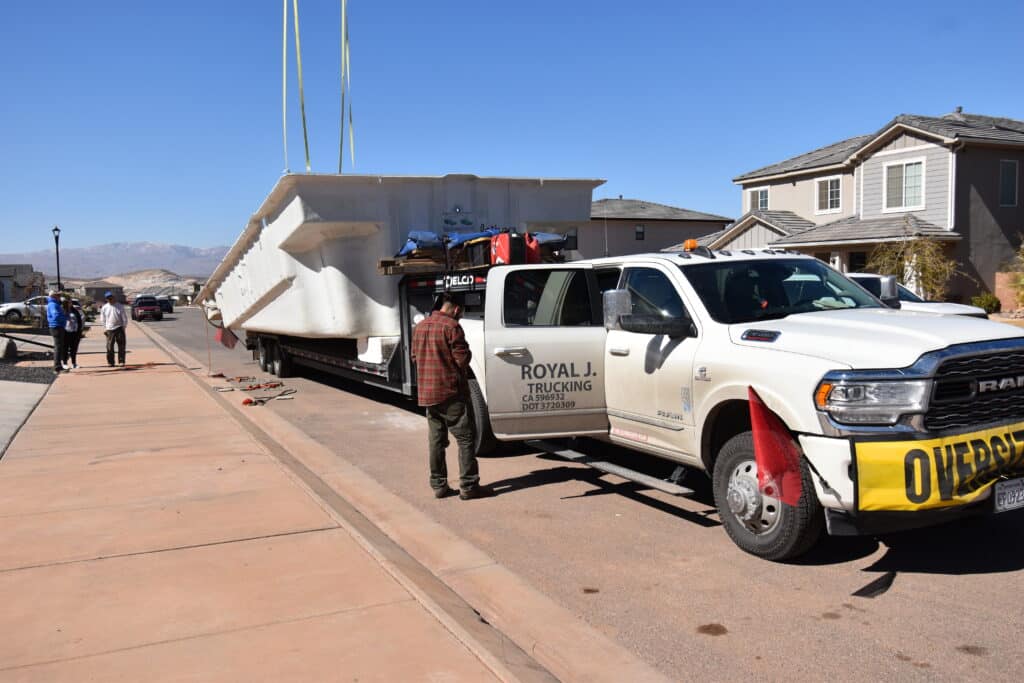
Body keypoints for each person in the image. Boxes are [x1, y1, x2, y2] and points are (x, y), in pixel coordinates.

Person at [410, 293, 482, 500]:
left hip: (428, 394)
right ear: (457, 309)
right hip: (451, 393)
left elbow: (415, 357)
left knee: (436, 441)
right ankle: (469, 486)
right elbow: (462, 360)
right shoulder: (452, 327)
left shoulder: (420, 327)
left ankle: (439, 485)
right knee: (466, 439)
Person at [100, 291, 128, 367]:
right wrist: (105, 328)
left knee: (121, 346)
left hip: (119, 328)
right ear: (106, 299)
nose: (110, 299)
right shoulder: (104, 307)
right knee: (109, 347)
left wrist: (123, 327)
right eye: (108, 298)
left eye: (111, 297)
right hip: (109, 329)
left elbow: (124, 318)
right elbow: (103, 319)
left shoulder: (120, 306)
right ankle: (111, 362)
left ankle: (121, 361)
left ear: (113, 297)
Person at [46, 291, 67, 374]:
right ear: (54, 296)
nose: (60, 297)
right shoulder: (53, 305)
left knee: (59, 347)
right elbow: (56, 315)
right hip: (57, 327)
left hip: (57, 326)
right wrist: (63, 318)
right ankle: (57, 367)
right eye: (58, 295)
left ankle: (58, 366)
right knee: (58, 347)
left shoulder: (54, 304)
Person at [63, 298, 84, 369]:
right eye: (68, 302)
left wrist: (79, 331)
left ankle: (74, 363)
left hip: (75, 332)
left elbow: (79, 321)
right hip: (66, 332)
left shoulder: (75, 310)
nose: (70, 304)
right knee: (65, 348)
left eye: (70, 302)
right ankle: (65, 363)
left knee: (74, 349)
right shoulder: (63, 311)